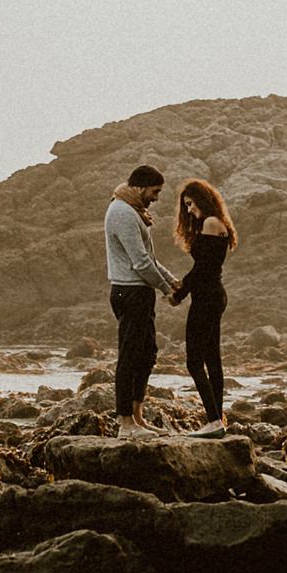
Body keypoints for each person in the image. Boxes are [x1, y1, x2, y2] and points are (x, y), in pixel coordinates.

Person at [104, 163, 180, 435]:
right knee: (130, 356)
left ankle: (137, 418)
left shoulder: (134, 211)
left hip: (139, 290)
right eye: (154, 191)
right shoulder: (122, 213)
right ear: (138, 187)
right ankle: (125, 423)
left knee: (147, 353)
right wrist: (165, 289)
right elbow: (140, 262)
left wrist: (171, 280)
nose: (157, 198)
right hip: (130, 291)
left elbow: (149, 259)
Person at [168, 177, 237, 434]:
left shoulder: (210, 223)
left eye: (190, 203)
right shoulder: (216, 223)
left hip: (206, 298)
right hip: (212, 296)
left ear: (202, 199)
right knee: (212, 360)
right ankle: (217, 419)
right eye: (185, 206)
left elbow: (202, 268)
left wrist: (180, 294)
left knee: (194, 362)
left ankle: (214, 420)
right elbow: (205, 268)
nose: (188, 210)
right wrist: (184, 286)